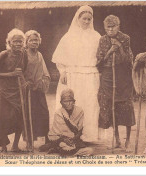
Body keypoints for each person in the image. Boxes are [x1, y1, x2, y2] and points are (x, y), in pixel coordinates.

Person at [52, 5, 101, 142]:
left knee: (90, 105)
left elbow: (101, 58)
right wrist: (62, 72)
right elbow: (60, 58)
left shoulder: (97, 36)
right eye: (84, 19)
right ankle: (68, 135)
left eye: (89, 19)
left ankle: (87, 136)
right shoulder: (68, 37)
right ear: (78, 18)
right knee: (72, 103)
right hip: (73, 75)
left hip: (91, 76)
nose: (86, 21)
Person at [96, 15, 135, 150]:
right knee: (111, 107)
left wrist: (120, 48)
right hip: (108, 78)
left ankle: (128, 140)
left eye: (113, 26)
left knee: (125, 106)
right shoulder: (102, 40)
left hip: (122, 77)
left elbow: (128, 61)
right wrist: (110, 51)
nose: (111, 29)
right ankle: (117, 138)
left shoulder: (125, 38)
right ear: (104, 27)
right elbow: (99, 62)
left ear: (118, 26)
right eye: (108, 27)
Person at [0, 28, 28, 152]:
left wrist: (24, 81)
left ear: (24, 43)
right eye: (15, 41)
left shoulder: (24, 54)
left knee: (19, 116)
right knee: (2, 117)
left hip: (18, 90)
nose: (18, 44)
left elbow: (24, 71)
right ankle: (3, 146)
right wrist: (11, 74)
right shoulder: (4, 54)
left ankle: (15, 146)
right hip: (3, 91)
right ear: (9, 42)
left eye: (21, 41)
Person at [39, 88, 93, 156]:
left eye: (70, 101)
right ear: (61, 103)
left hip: (74, 139)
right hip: (61, 139)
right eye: (65, 101)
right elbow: (57, 133)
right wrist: (64, 140)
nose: (68, 103)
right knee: (63, 145)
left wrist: (74, 139)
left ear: (74, 101)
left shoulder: (79, 111)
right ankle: (62, 149)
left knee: (90, 150)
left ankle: (62, 149)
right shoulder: (58, 113)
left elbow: (80, 129)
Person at [24, 30, 50, 150]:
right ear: (27, 42)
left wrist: (43, 81)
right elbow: (21, 70)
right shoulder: (24, 54)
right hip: (28, 90)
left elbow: (45, 72)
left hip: (38, 89)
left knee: (44, 113)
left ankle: (47, 139)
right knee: (30, 114)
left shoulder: (39, 55)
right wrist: (26, 82)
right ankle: (29, 141)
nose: (34, 42)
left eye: (36, 40)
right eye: (31, 40)